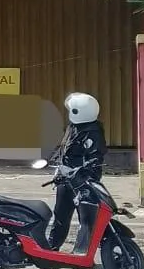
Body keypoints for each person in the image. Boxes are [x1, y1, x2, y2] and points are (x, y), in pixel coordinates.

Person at [46, 92, 107, 251]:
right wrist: (58, 167)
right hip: (65, 178)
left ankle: (82, 253)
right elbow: (64, 149)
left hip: (83, 182)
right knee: (60, 216)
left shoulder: (93, 132)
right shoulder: (72, 127)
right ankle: (52, 249)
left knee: (86, 219)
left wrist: (82, 172)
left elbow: (95, 158)